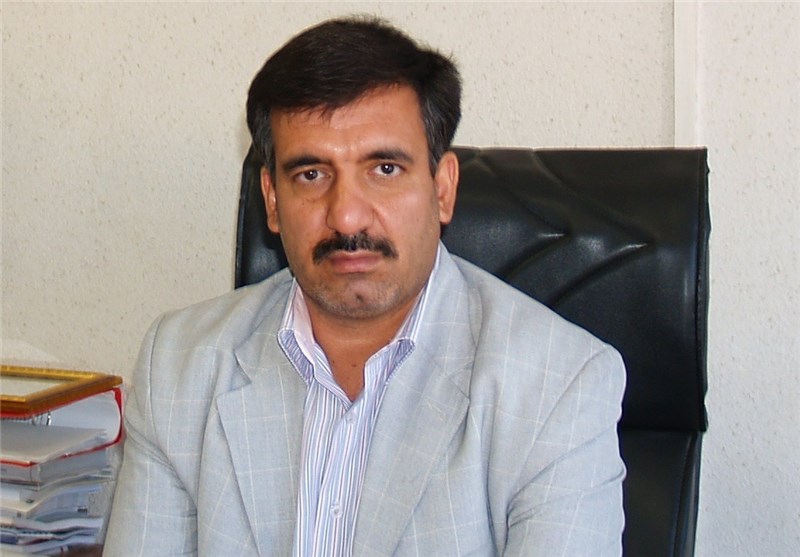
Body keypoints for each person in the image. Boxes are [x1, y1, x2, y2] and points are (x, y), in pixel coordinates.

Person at [104, 16, 625, 556]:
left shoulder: (557, 385)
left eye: (385, 169)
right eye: (311, 174)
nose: (347, 216)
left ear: (442, 189)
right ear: (273, 200)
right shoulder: (179, 366)